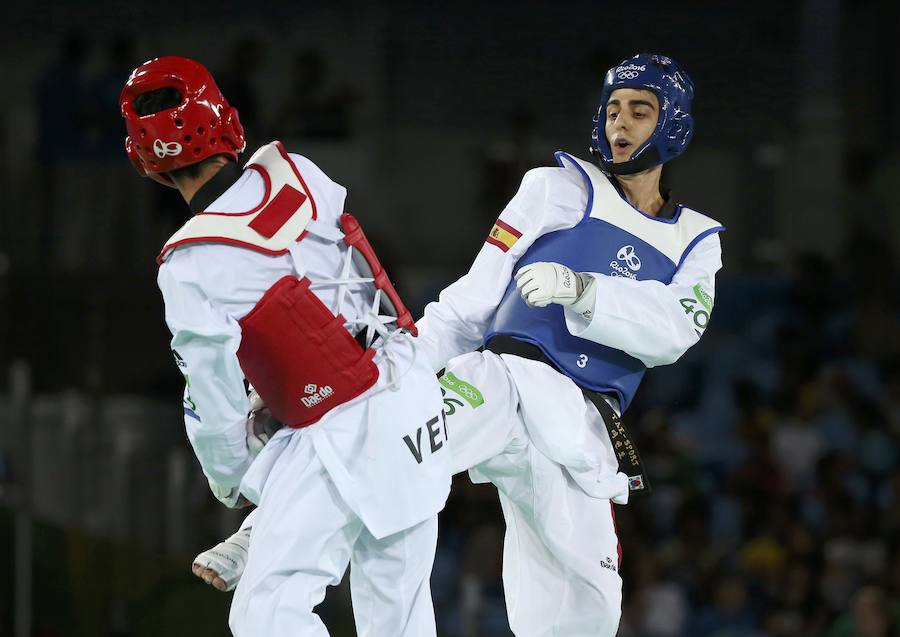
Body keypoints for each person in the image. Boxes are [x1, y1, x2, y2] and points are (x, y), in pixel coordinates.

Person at [193, 52, 724, 636]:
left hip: (584, 427)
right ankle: (266, 525)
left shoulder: (695, 239)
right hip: (504, 380)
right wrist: (389, 370)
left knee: (589, 612)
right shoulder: (553, 189)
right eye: (613, 109)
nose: (620, 125)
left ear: (672, 123)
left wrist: (581, 290)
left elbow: (676, 329)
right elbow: (469, 304)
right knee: (395, 437)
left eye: (640, 112)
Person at [119, 56, 452, 637]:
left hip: (341, 431)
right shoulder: (300, 171)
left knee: (268, 613)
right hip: (413, 391)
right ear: (225, 119)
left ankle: (260, 517)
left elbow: (213, 395)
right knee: (398, 616)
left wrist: (231, 479)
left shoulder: (191, 263)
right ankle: (266, 512)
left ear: (147, 160)